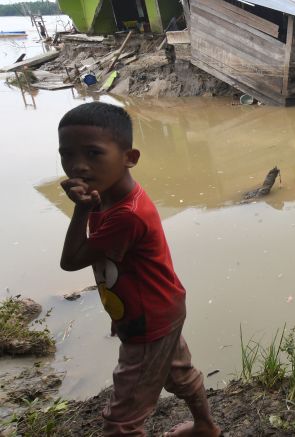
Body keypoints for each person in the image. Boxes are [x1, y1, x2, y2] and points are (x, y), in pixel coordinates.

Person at [58, 102, 220, 437]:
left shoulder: (125, 214)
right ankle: (205, 427)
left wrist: (80, 211)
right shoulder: (109, 195)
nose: (77, 166)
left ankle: (205, 427)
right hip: (161, 306)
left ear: (129, 158)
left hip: (148, 319)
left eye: (93, 153)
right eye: (67, 155)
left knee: (121, 421)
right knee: (178, 374)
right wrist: (89, 206)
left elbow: (71, 260)